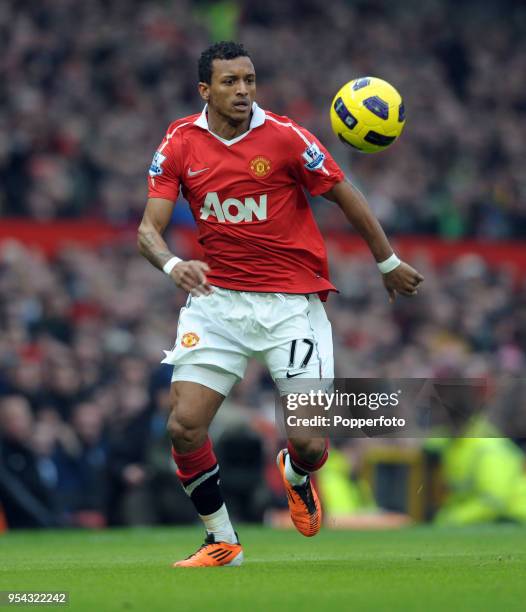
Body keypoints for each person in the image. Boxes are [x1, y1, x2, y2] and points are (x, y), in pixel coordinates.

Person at [137, 41, 423, 567]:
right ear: (205, 90)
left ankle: (295, 471)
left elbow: (343, 192)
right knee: (183, 425)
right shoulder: (179, 142)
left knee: (311, 443)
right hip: (217, 301)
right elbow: (148, 230)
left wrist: (387, 262)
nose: (243, 90)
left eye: (249, 79)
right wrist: (175, 267)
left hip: (291, 306)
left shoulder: (287, 138)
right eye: (230, 82)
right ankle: (221, 539)